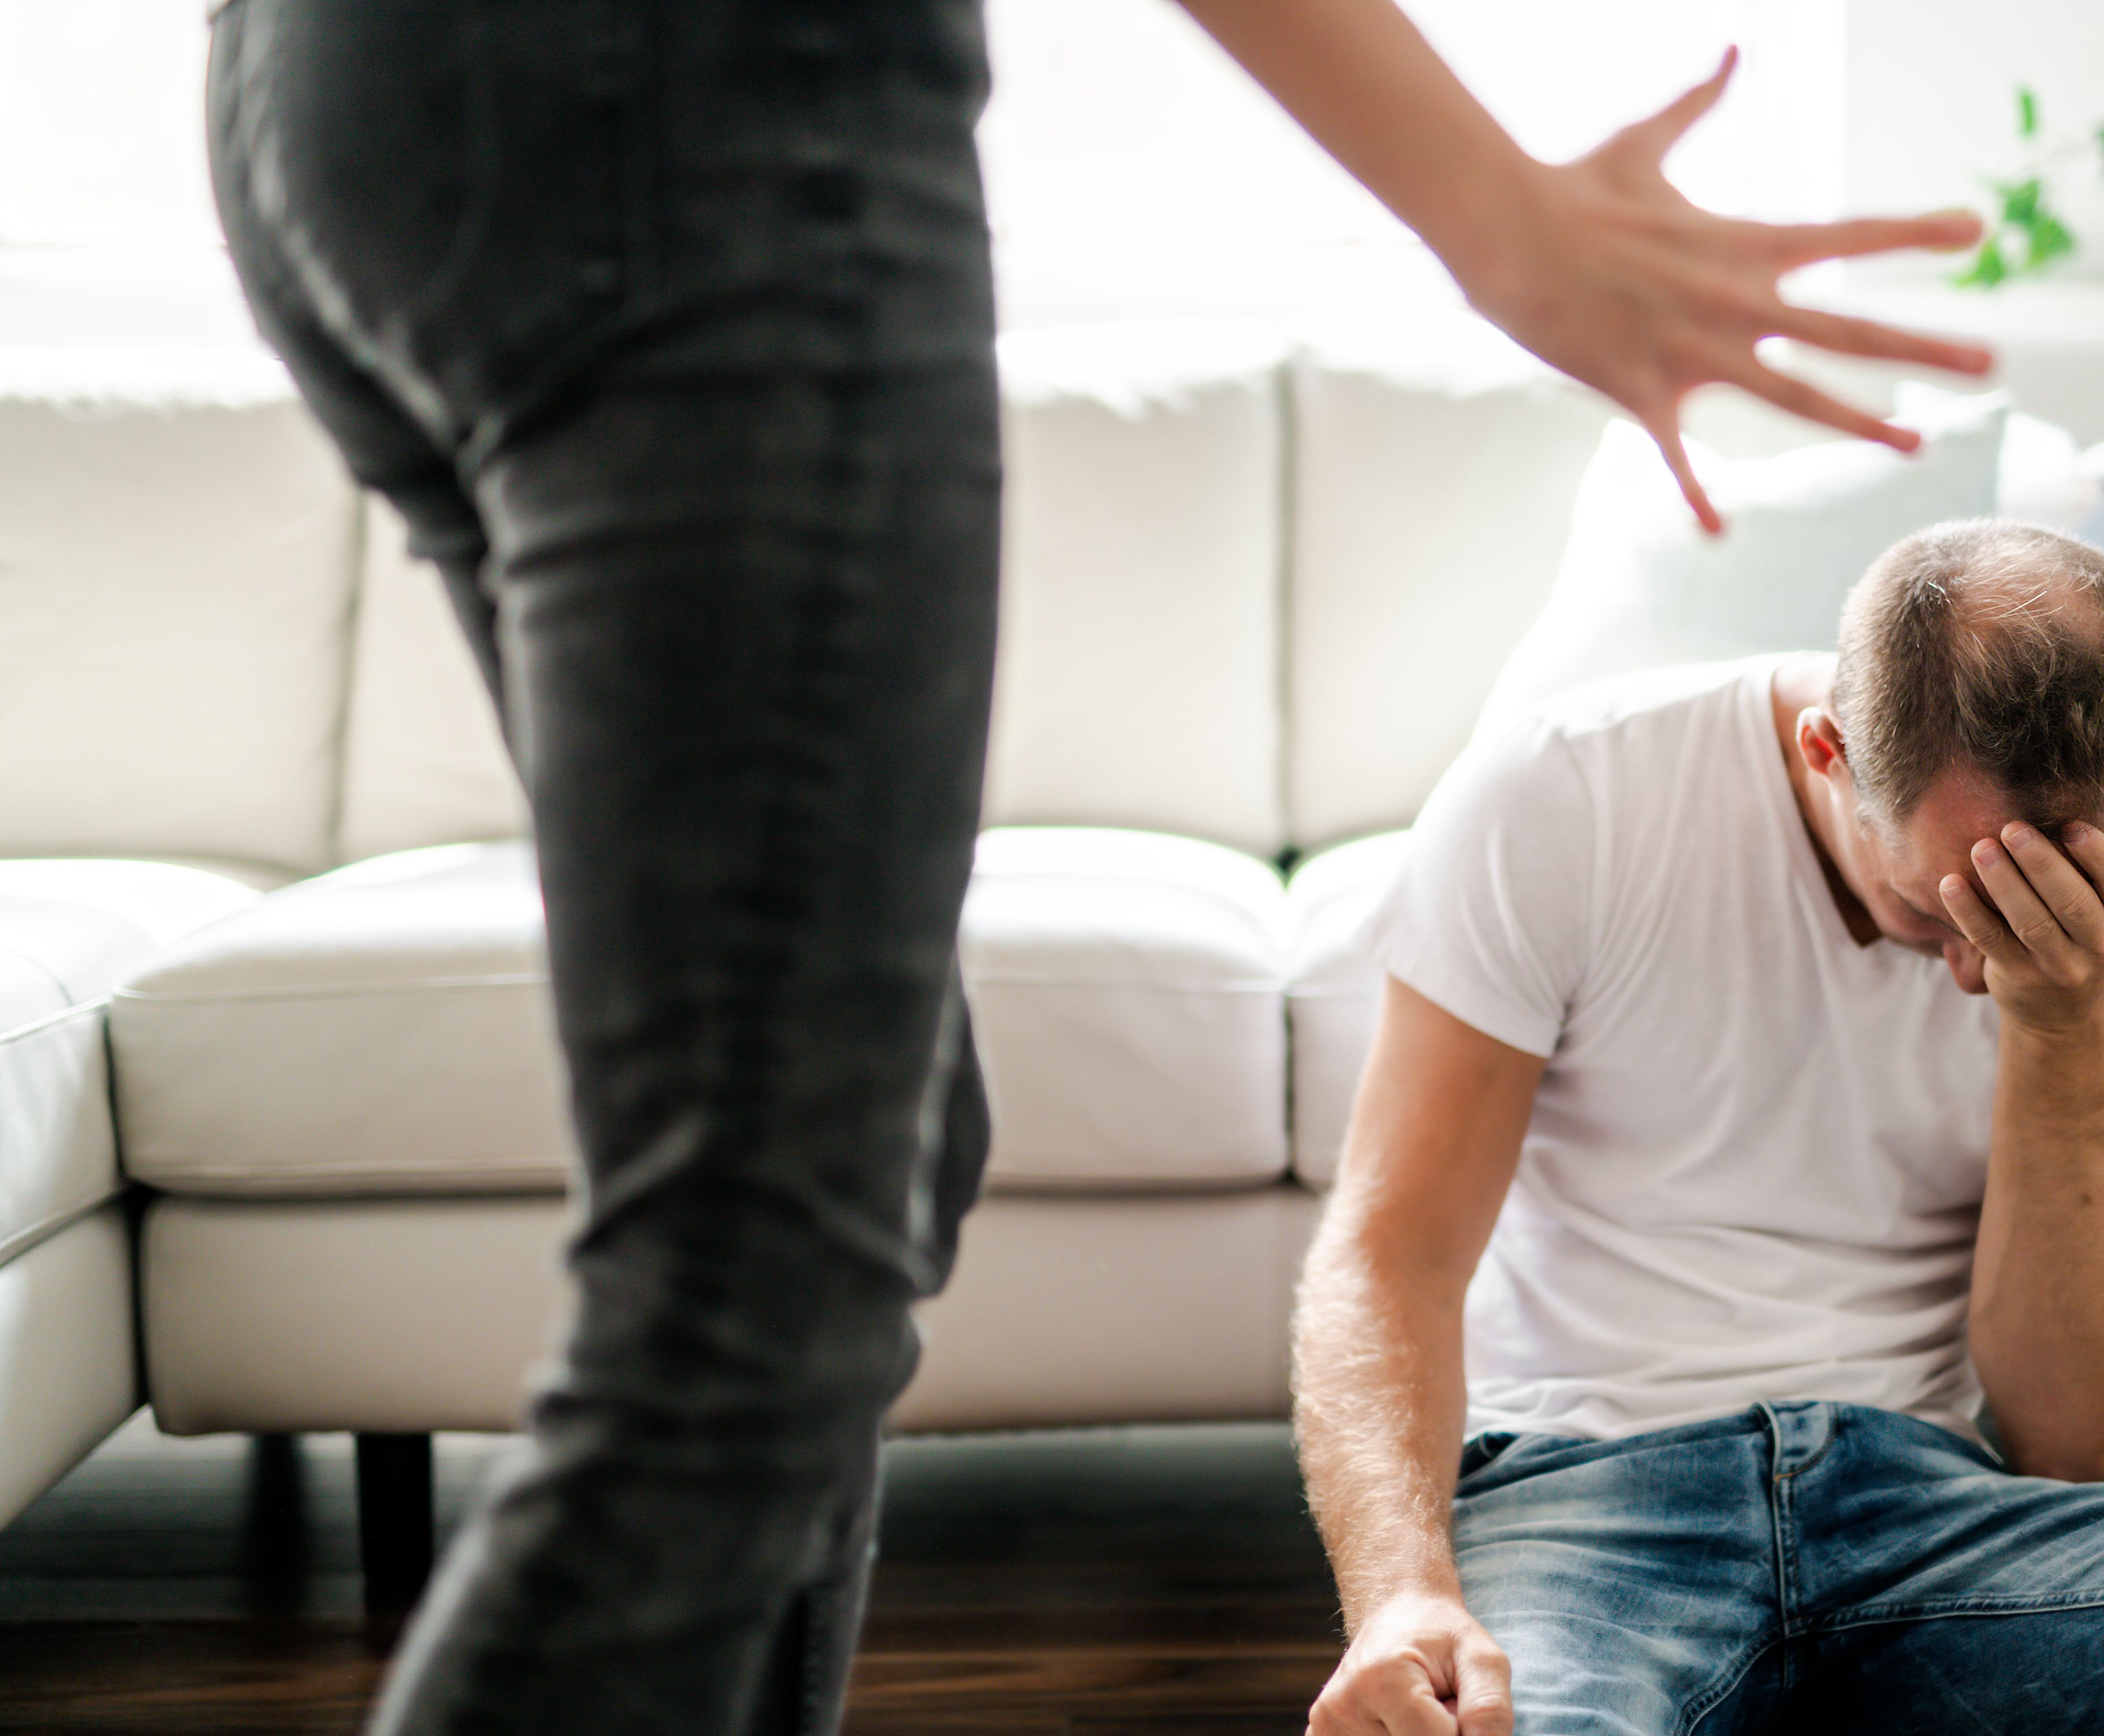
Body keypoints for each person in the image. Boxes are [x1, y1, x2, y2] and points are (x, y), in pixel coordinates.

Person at [202, 1, 1989, 1731]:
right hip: (683, 102)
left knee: (879, 1154)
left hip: (364, 93)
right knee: (752, 1268)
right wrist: (1495, 212)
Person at [1294, 521, 2104, 1735]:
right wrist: (1404, 1594)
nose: (1985, 960)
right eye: (1942, 909)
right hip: (1589, 1502)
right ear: (1827, 751)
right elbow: (1388, 1254)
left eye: (2043, 899)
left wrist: (2064, 1026)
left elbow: (2077, 1437)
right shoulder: (1567, 790)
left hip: (1930, 1519)